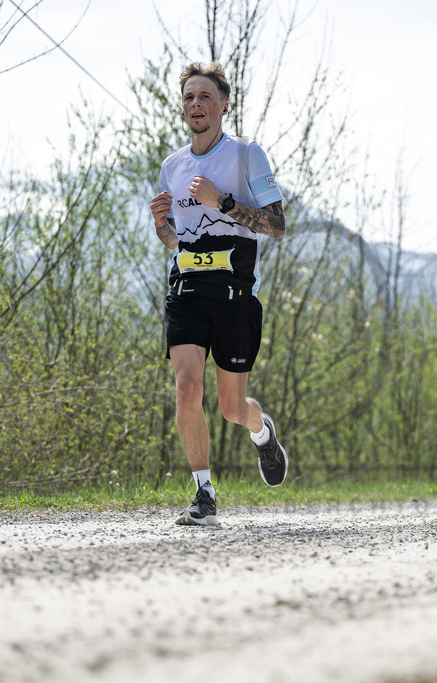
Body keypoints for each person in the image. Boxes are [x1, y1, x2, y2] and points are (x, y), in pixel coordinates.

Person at [149, 62, 288, 527]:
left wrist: (222, 202)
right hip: (186, 289)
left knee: (232, 408)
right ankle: (204, 494)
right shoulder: (173, 166)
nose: (196, 104)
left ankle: (262, 431)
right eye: (189, 97)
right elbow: (176, 242)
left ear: (224, 106)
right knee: (187, 388)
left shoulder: (247, 155)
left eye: (205, 96)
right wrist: (163, 226)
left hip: (235, 292)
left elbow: (277, 227)